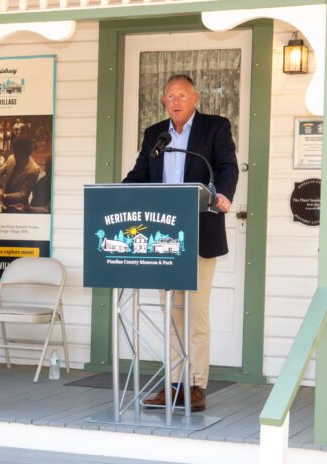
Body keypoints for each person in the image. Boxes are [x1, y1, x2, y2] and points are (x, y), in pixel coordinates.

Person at [123, 74, 238, 411]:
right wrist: (117, 195)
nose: (175, 101)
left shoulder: (214, 128)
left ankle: (197, 384)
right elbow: (140, 174)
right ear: (164, 101)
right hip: (164, 236)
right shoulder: (155, 134)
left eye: (182, 95)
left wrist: (225, 195)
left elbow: (226, 167)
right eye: (170, 96)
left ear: (195, 98)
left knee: (196, 312)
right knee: (171, 312)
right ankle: (174, 384)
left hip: (201, 232)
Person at [0, 136, 40, 213]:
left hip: (19, 207)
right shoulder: (11, 158)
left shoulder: (34, 169)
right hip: (4, 202)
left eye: (18, 154)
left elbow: (24, 194)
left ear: (26, 154)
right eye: (15, 152)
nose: (15, 156)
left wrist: (4, 196)